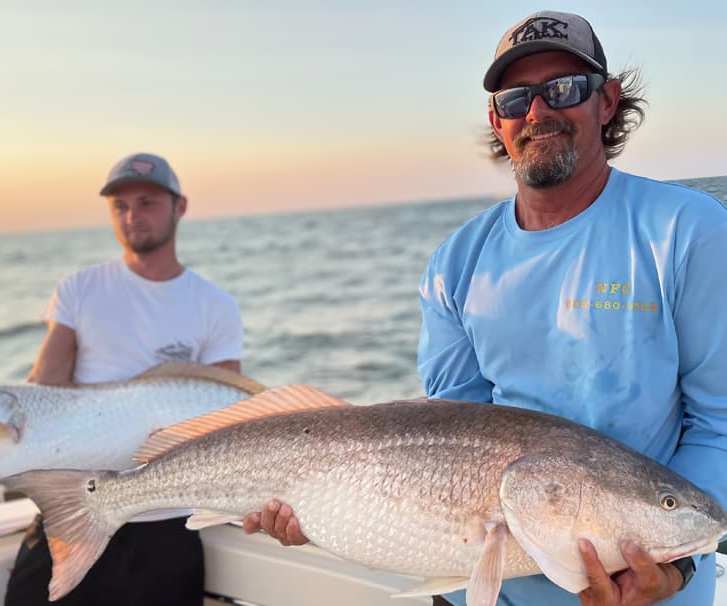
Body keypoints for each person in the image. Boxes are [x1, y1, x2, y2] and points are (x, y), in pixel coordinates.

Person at [245, 10, 727, 606]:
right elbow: (452, 436)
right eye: (516, 98)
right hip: (490, 586)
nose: (539, 112)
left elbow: (720, 421)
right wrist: (321, 508)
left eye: (564, 89)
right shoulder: (457, 262)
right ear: (496, 121)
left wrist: (675, 569)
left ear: (607, 102)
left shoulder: (686, 231)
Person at [0, 151, 244, 606]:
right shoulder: (79, 289)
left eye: (147, 202)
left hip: (166, 518)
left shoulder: (215, 306)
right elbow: (40, 398)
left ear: (180, 207)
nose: (132, 215)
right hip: (73, 506)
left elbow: (230, 420)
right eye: (120, 205)